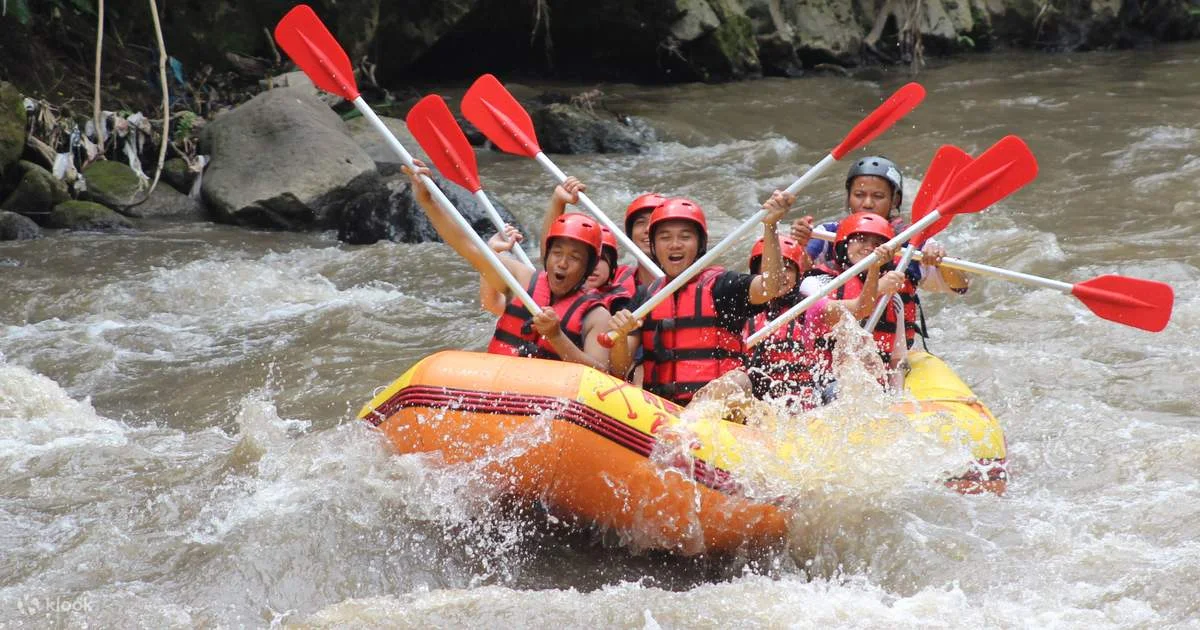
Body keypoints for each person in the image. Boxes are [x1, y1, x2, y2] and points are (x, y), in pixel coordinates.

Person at [402, 160, 612, 372]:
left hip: (551, 395)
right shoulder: (521, 279)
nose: (563, 263)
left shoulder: (597, 315)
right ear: (547, 255)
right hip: (498, 381)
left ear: (587, 268)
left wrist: (556, 337)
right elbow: (467, 246)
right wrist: (428, 201)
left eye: (575, 258)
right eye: (557, 253)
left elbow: (601, 372)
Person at [607, 191, 794, 407]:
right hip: (660, 412)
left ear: (699, 244)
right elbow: (618, 371)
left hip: (717, 414)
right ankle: (680, 428)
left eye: (685, 237)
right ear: (655, 246)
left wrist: (770, 227)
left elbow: (770, 286)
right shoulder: (645, 297)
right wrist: (619, 339)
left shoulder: (723, 286)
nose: (675, 244)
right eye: (665, 237)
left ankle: (686, 426)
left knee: (738, 381)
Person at [798, 155, 969, 293]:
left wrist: (941, 262)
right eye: (859, 194)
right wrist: (799, 245)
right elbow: (794, 277)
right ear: (849, 197)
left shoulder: (913, 240)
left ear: (895, 200)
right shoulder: (828, 233)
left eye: (878, 196)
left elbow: (960, 285)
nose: (867, 203)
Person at [797, 212, 906, 374]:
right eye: (861, 239)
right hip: (822, 379)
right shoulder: (815, 283)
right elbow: (859, 309)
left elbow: (897, 360)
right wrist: (876, 280)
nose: (870, 247)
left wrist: (897, 397)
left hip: (872, 381)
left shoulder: (892, 297)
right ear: (844, 244)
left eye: (877, 243)